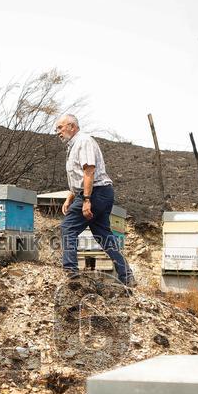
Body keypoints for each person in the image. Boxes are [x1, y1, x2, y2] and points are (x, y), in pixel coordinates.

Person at [55, 114, 134, 287]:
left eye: (60, 127)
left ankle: (71, 272)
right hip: (99, 193)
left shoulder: (83, 141)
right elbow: (78, 177)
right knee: (103, 235)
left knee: (68, 226)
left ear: (72, 126)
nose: (57, 132)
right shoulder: (73, 145)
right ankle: (127, 276)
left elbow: (89, 172)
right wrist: (70, 197)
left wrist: (86, 200)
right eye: (57, 129)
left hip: (96, 192)